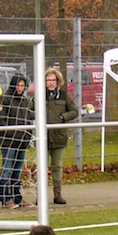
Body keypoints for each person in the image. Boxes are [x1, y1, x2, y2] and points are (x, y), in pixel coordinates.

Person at [36, 68, 78, 205]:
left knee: (57, 166)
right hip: (42, 137)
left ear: (58, 81)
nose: (50, 83)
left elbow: (74, 111)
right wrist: (38, 117)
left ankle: (57, 194)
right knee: (41, 167)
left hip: (59, 136)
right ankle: (40, 196)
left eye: (53, 80)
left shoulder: (64, 96)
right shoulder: (39, 96)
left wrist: (63, 117)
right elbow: (29, 111)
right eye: (48, 80)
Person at [0, 75, 33, 209]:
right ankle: (6, 198)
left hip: (22, 141)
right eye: (18, 85)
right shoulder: (3, 99)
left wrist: (27, 135)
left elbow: (28, 119)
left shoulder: (25, 101)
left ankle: (17, 197)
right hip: (9, 142)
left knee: (17, 171)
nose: (20, 88)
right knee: (7, 170)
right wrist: (13, 133)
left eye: (22, 86)